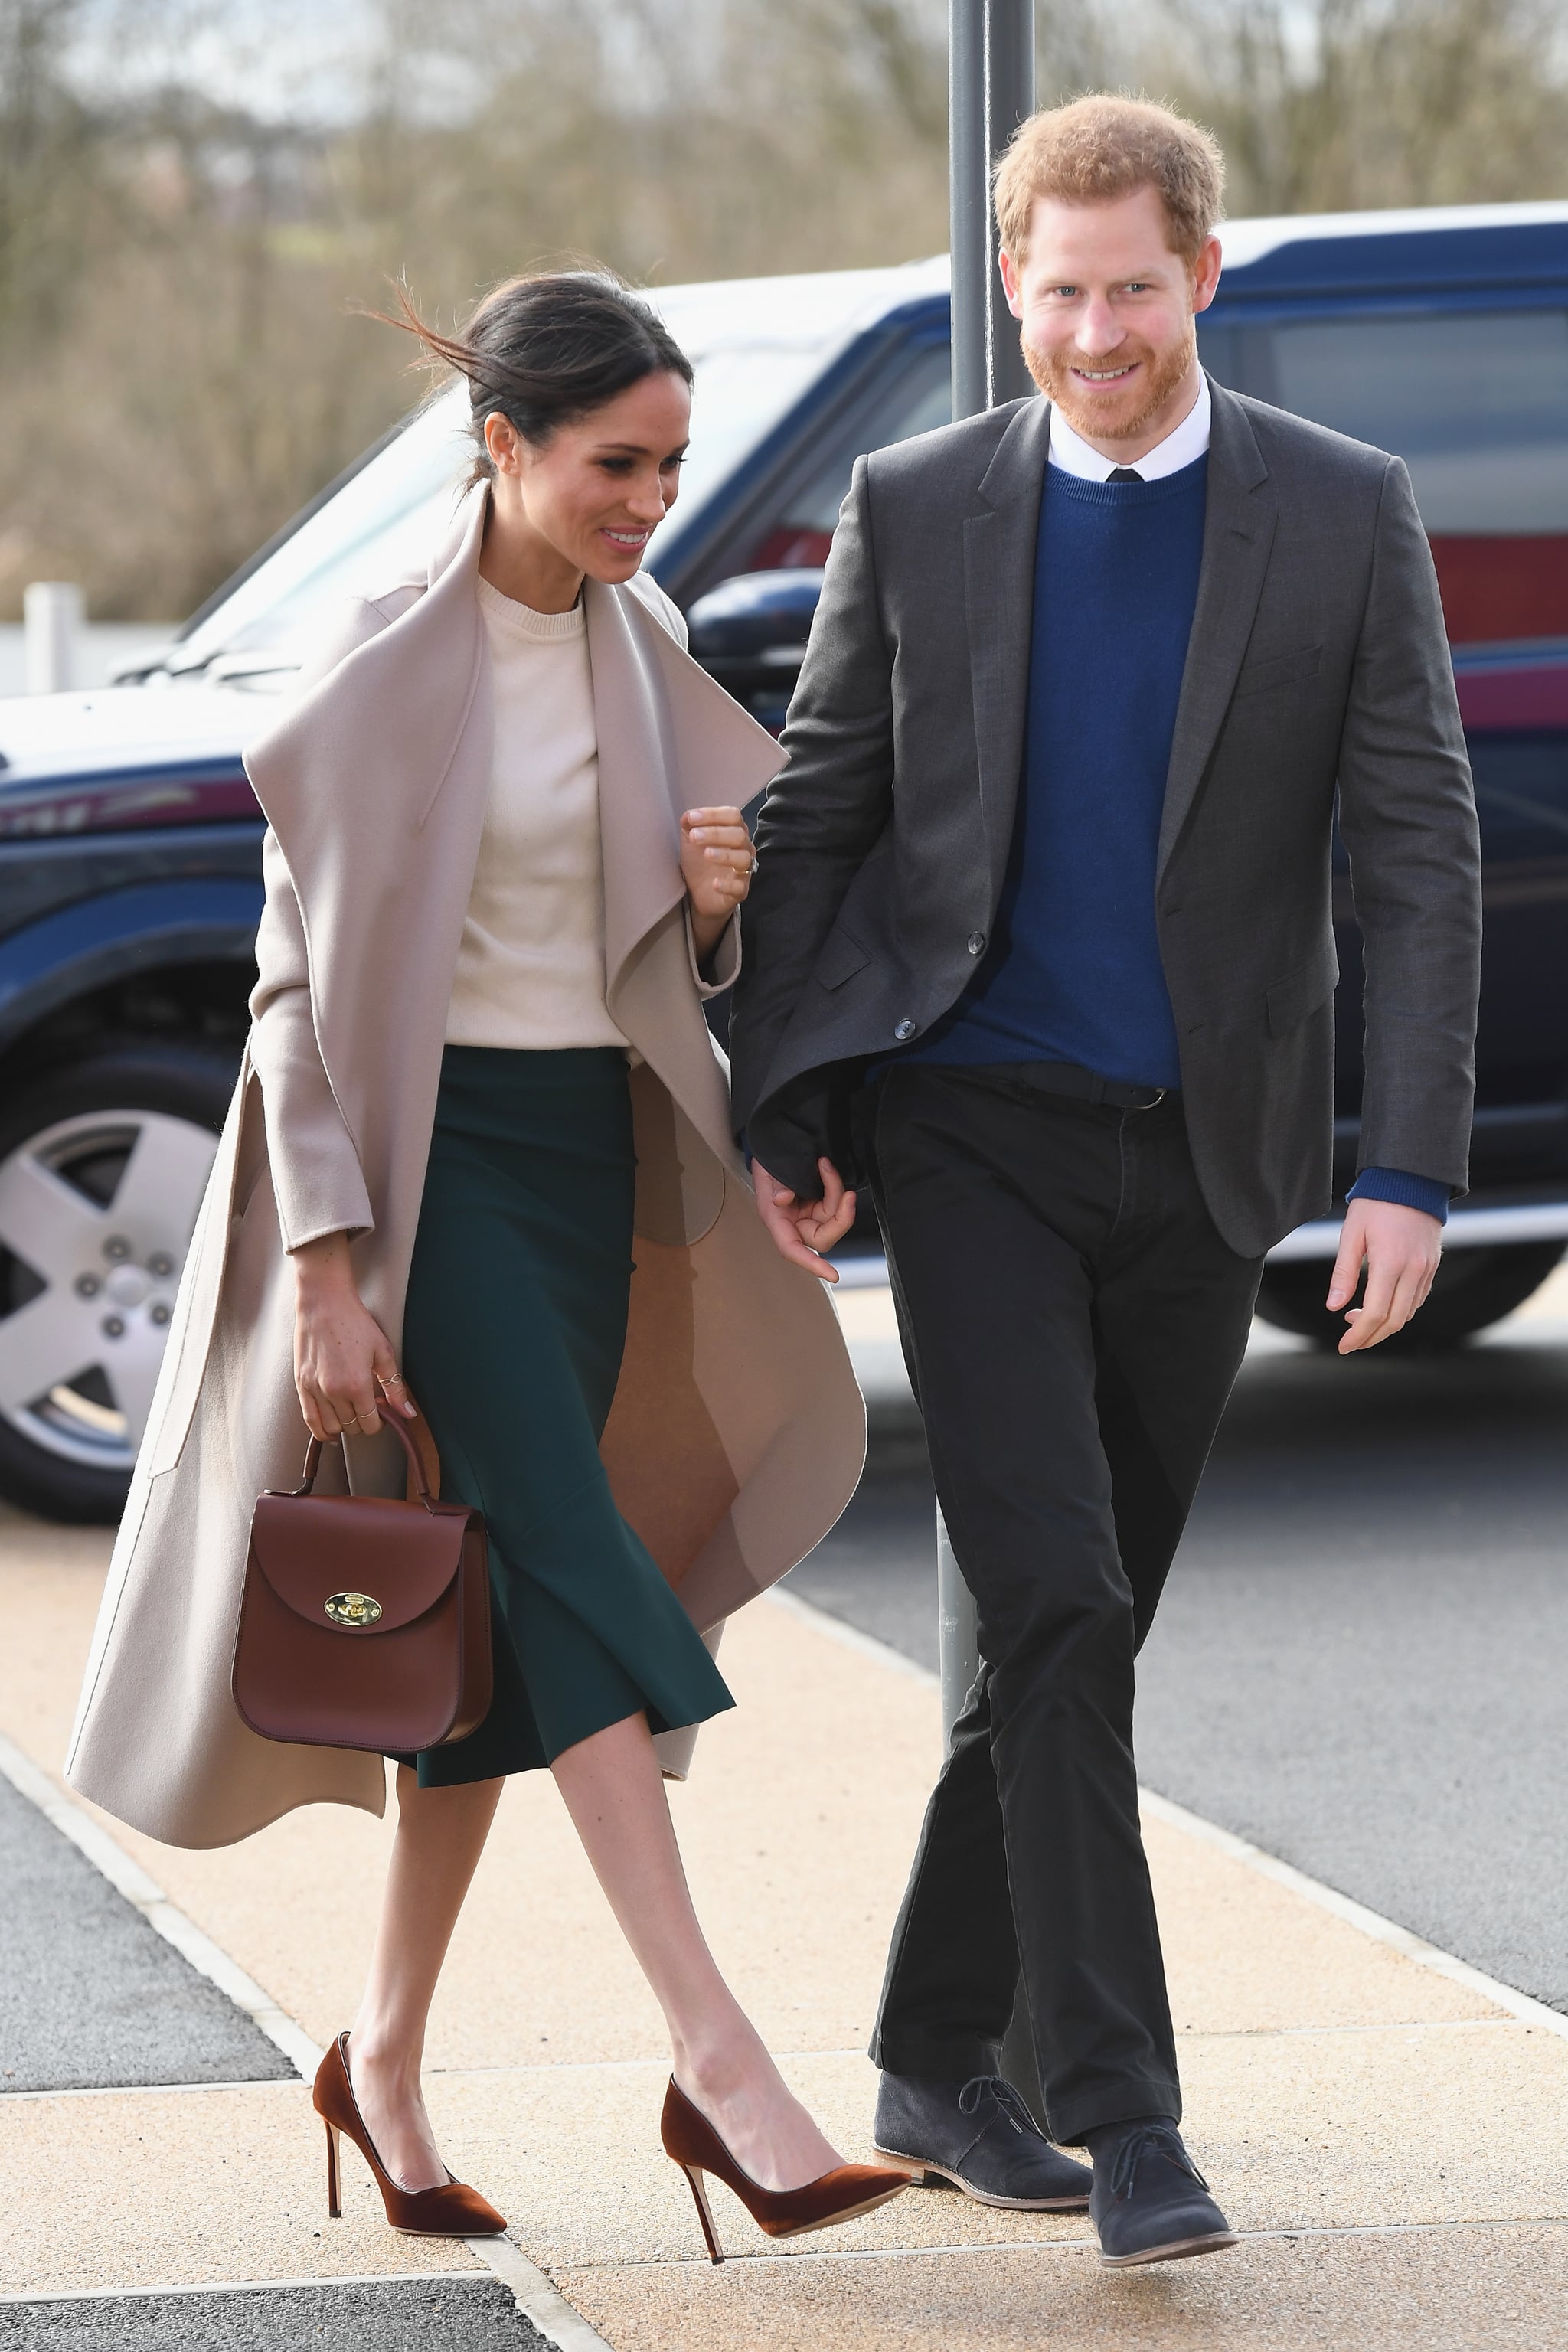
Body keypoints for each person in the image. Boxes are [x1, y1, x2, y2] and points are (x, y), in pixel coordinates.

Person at [67, 270, 910, 2260]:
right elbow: (294, 996)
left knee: (490, 1622)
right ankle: (725, 2068)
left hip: (583, 1170)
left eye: (672, 466)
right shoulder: (372, 665)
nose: (651, 500)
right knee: (564, 1552)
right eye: (618, 465)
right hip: (422, 1184)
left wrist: (707, 916)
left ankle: (382, 2059)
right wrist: (340, 1267)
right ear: (501, 446)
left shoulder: (648, 642)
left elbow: (636, 966)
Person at [730, 94, 1481, 2269]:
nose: (1089, 332)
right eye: (1052, 293)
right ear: (1014, 288)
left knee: (1080, 1630)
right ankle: (1126, 2114)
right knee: (1052, 1607)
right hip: (971, 1130)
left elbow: (1418, 852)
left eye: (1129, 288)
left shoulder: (1344, 514)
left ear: (1202, 281)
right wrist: (790, 1103)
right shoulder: (919, 503)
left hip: (1213, 1158)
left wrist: (1409, 1168)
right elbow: (826, 813)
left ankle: (930, 2054)